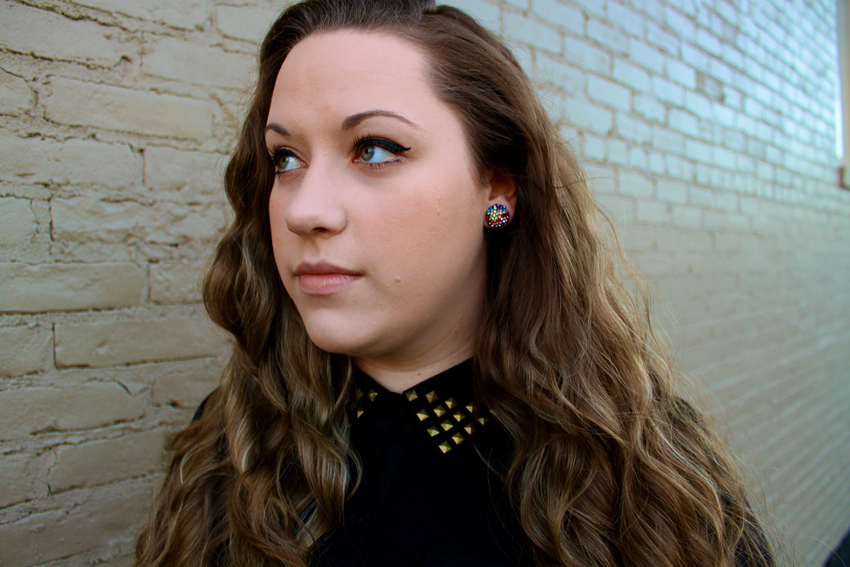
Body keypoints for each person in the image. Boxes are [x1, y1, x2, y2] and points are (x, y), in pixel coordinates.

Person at [135, 1, 774, 566]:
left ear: (497, 190)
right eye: (286, 158)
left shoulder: (638, 481)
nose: (305, 210)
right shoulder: (235, 439)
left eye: (375, 149)